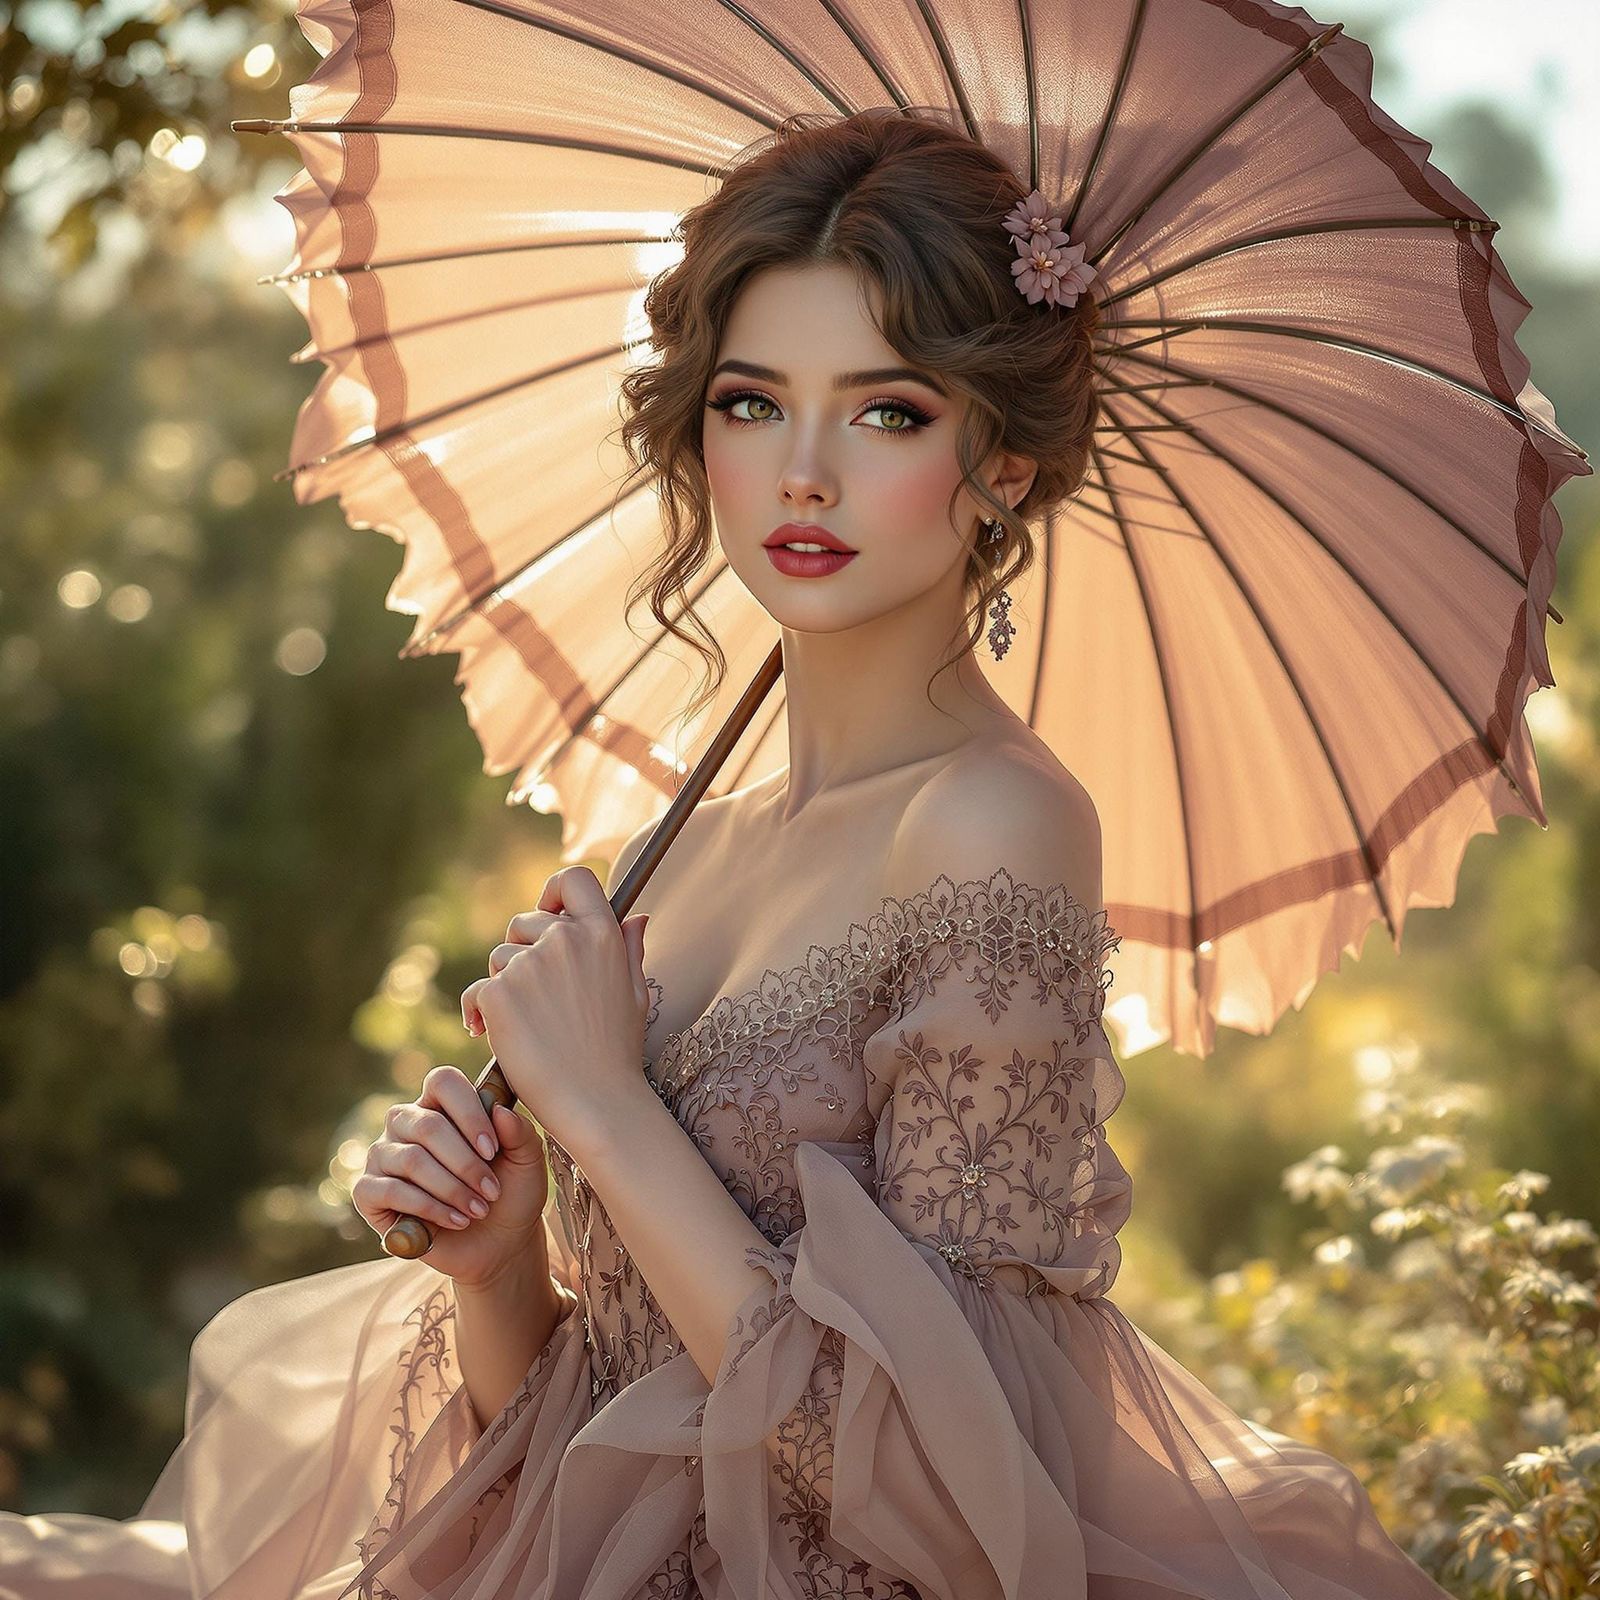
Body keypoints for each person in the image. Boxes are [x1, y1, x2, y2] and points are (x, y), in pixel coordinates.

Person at [0, 108, 1458, 1600]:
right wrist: (506, 1269)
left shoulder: (991, 824)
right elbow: (592, 1427)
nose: (801, 475)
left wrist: (609, 1111)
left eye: (888, 412)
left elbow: (956, 1521)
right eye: (753, 403)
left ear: (1006, 464)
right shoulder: (670, 849)